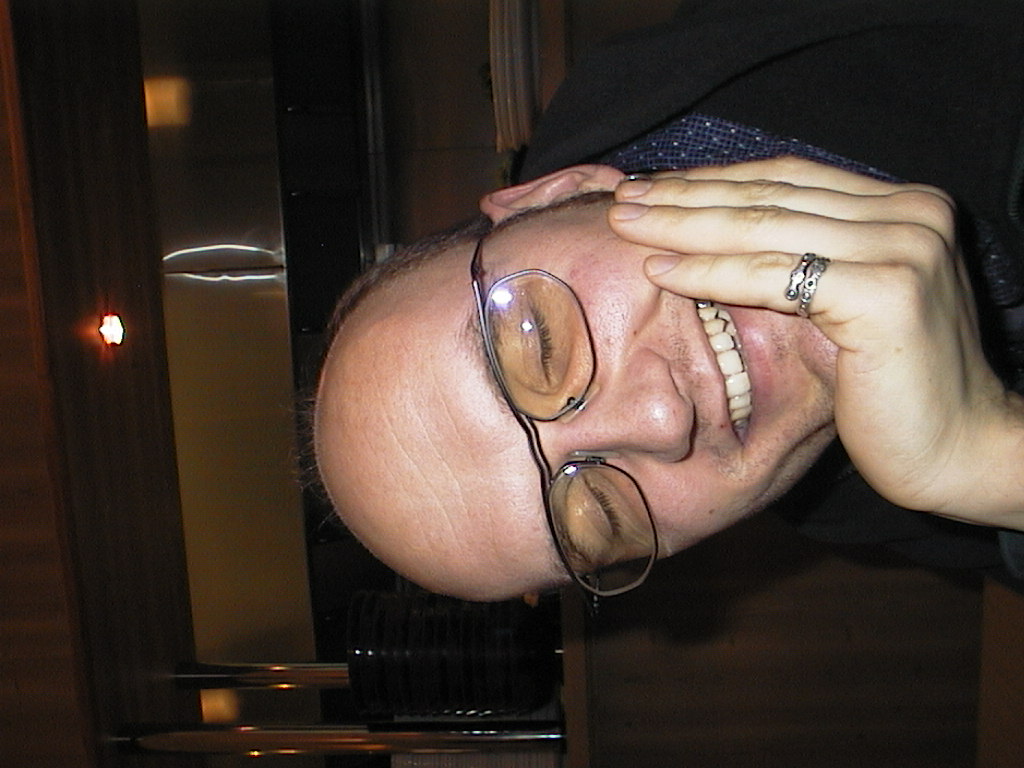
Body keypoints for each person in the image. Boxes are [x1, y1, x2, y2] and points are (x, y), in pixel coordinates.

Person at [314, 0, 1024, 600]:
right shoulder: (870, 504)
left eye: (541, 344)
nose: (663, 420)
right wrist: (990, 459)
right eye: (601, 516)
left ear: (559, 194)